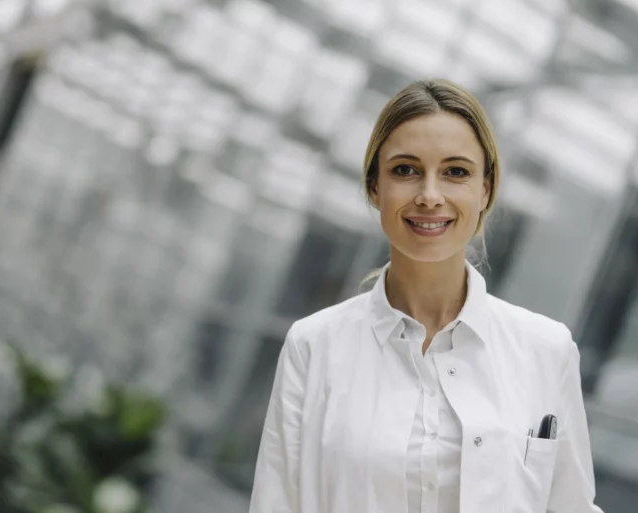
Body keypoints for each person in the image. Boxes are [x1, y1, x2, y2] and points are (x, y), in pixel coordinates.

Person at [248, 79, 604, 513]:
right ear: (374, 187)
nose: (429, 196)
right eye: (405, 170)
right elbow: (276, 502)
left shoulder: (546, 350)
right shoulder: (313, 346)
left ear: (485, 189)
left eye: (455, 172)